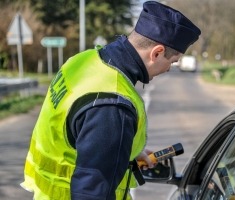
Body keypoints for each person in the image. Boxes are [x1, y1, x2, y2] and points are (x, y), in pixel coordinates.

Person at [21, 1, 201, 200]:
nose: (169, 69)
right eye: (172, 61)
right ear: (156, 53)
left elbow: (77, 135)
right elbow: (91, 192)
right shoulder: (114, 107)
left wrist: (123, 152)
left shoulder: (83, 61)